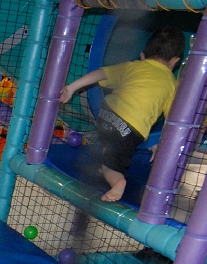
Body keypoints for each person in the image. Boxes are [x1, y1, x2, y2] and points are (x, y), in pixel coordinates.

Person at [59, 26, 184, 202]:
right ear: (175, 62)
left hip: (106, 114)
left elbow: (101, 72)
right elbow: (171, 121)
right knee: (114, 163)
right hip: (132, 130)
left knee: (109, 142)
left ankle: (105, 159)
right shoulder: (172, 84)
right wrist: (160, 144)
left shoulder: (133, 66)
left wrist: (71, 88)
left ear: (142, 55)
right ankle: (117, 181)